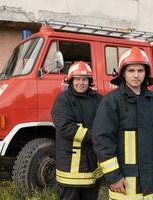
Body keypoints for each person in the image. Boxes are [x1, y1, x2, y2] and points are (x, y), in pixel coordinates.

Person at [92, 47, 153, 199]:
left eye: (140, 70)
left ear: (146, 73)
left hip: (151, 183)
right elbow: (102, 140)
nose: (136, 75)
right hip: (125, 185)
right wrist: (113, 176)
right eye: (131, 70)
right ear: (123, 73)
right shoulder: (111, 101)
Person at [51, 61, 102, 200]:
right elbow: (66, 128)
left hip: (92, 164)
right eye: (77, 79)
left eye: (85, 79)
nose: (81, 82)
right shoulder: (63, 100)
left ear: (89, 81)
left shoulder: (98, 99)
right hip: (70, 168)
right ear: (71, 80)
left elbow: (106, 122)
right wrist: (96, 136)